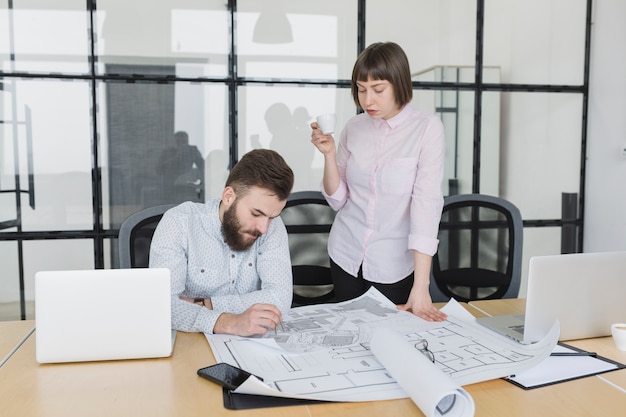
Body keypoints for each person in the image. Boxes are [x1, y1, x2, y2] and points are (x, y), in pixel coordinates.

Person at [310, 42, 447, 322]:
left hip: (393, 264)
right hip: (346, 254)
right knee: (349, 339)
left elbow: (426, 207)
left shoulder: (426, 129)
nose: (367, 100)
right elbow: (338, 200)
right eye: (361, 90)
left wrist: (422, 287)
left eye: (378, 89)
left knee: (390, 342)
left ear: (399, 83)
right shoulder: (354, 128)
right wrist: (329, 154)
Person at [149, 149, 295, 336]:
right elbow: (163, 306)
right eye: (256, 214)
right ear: (228, 197)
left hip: (249, 348)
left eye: (272, 217)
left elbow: (280, 298)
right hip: (189, 343)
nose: (264, 228)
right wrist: (228, 322)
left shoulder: (272, 226)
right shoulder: (179, 223)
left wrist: (205, 304)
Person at [157, 131, 205, 203]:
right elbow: (159, 170)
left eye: (184, 142)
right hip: (170, 187)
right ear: (174, 142)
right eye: (179, 142)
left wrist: (195, 154)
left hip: (188, 186)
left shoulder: (192, 150)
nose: (182, 144)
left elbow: (203, 167)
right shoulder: (167, 152)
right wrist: (176, 157)